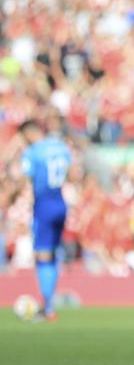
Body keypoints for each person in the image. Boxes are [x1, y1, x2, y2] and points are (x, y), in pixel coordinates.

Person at [14, 120, 72, 321]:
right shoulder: (60, 146)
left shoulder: (33, 152)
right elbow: (71, 172)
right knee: (53, 254)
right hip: (61, 203)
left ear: (29, 133)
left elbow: (24, 178)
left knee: (42, 255)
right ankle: (49, 305)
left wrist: (10, 194)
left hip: (44, 206)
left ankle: (48, 309)